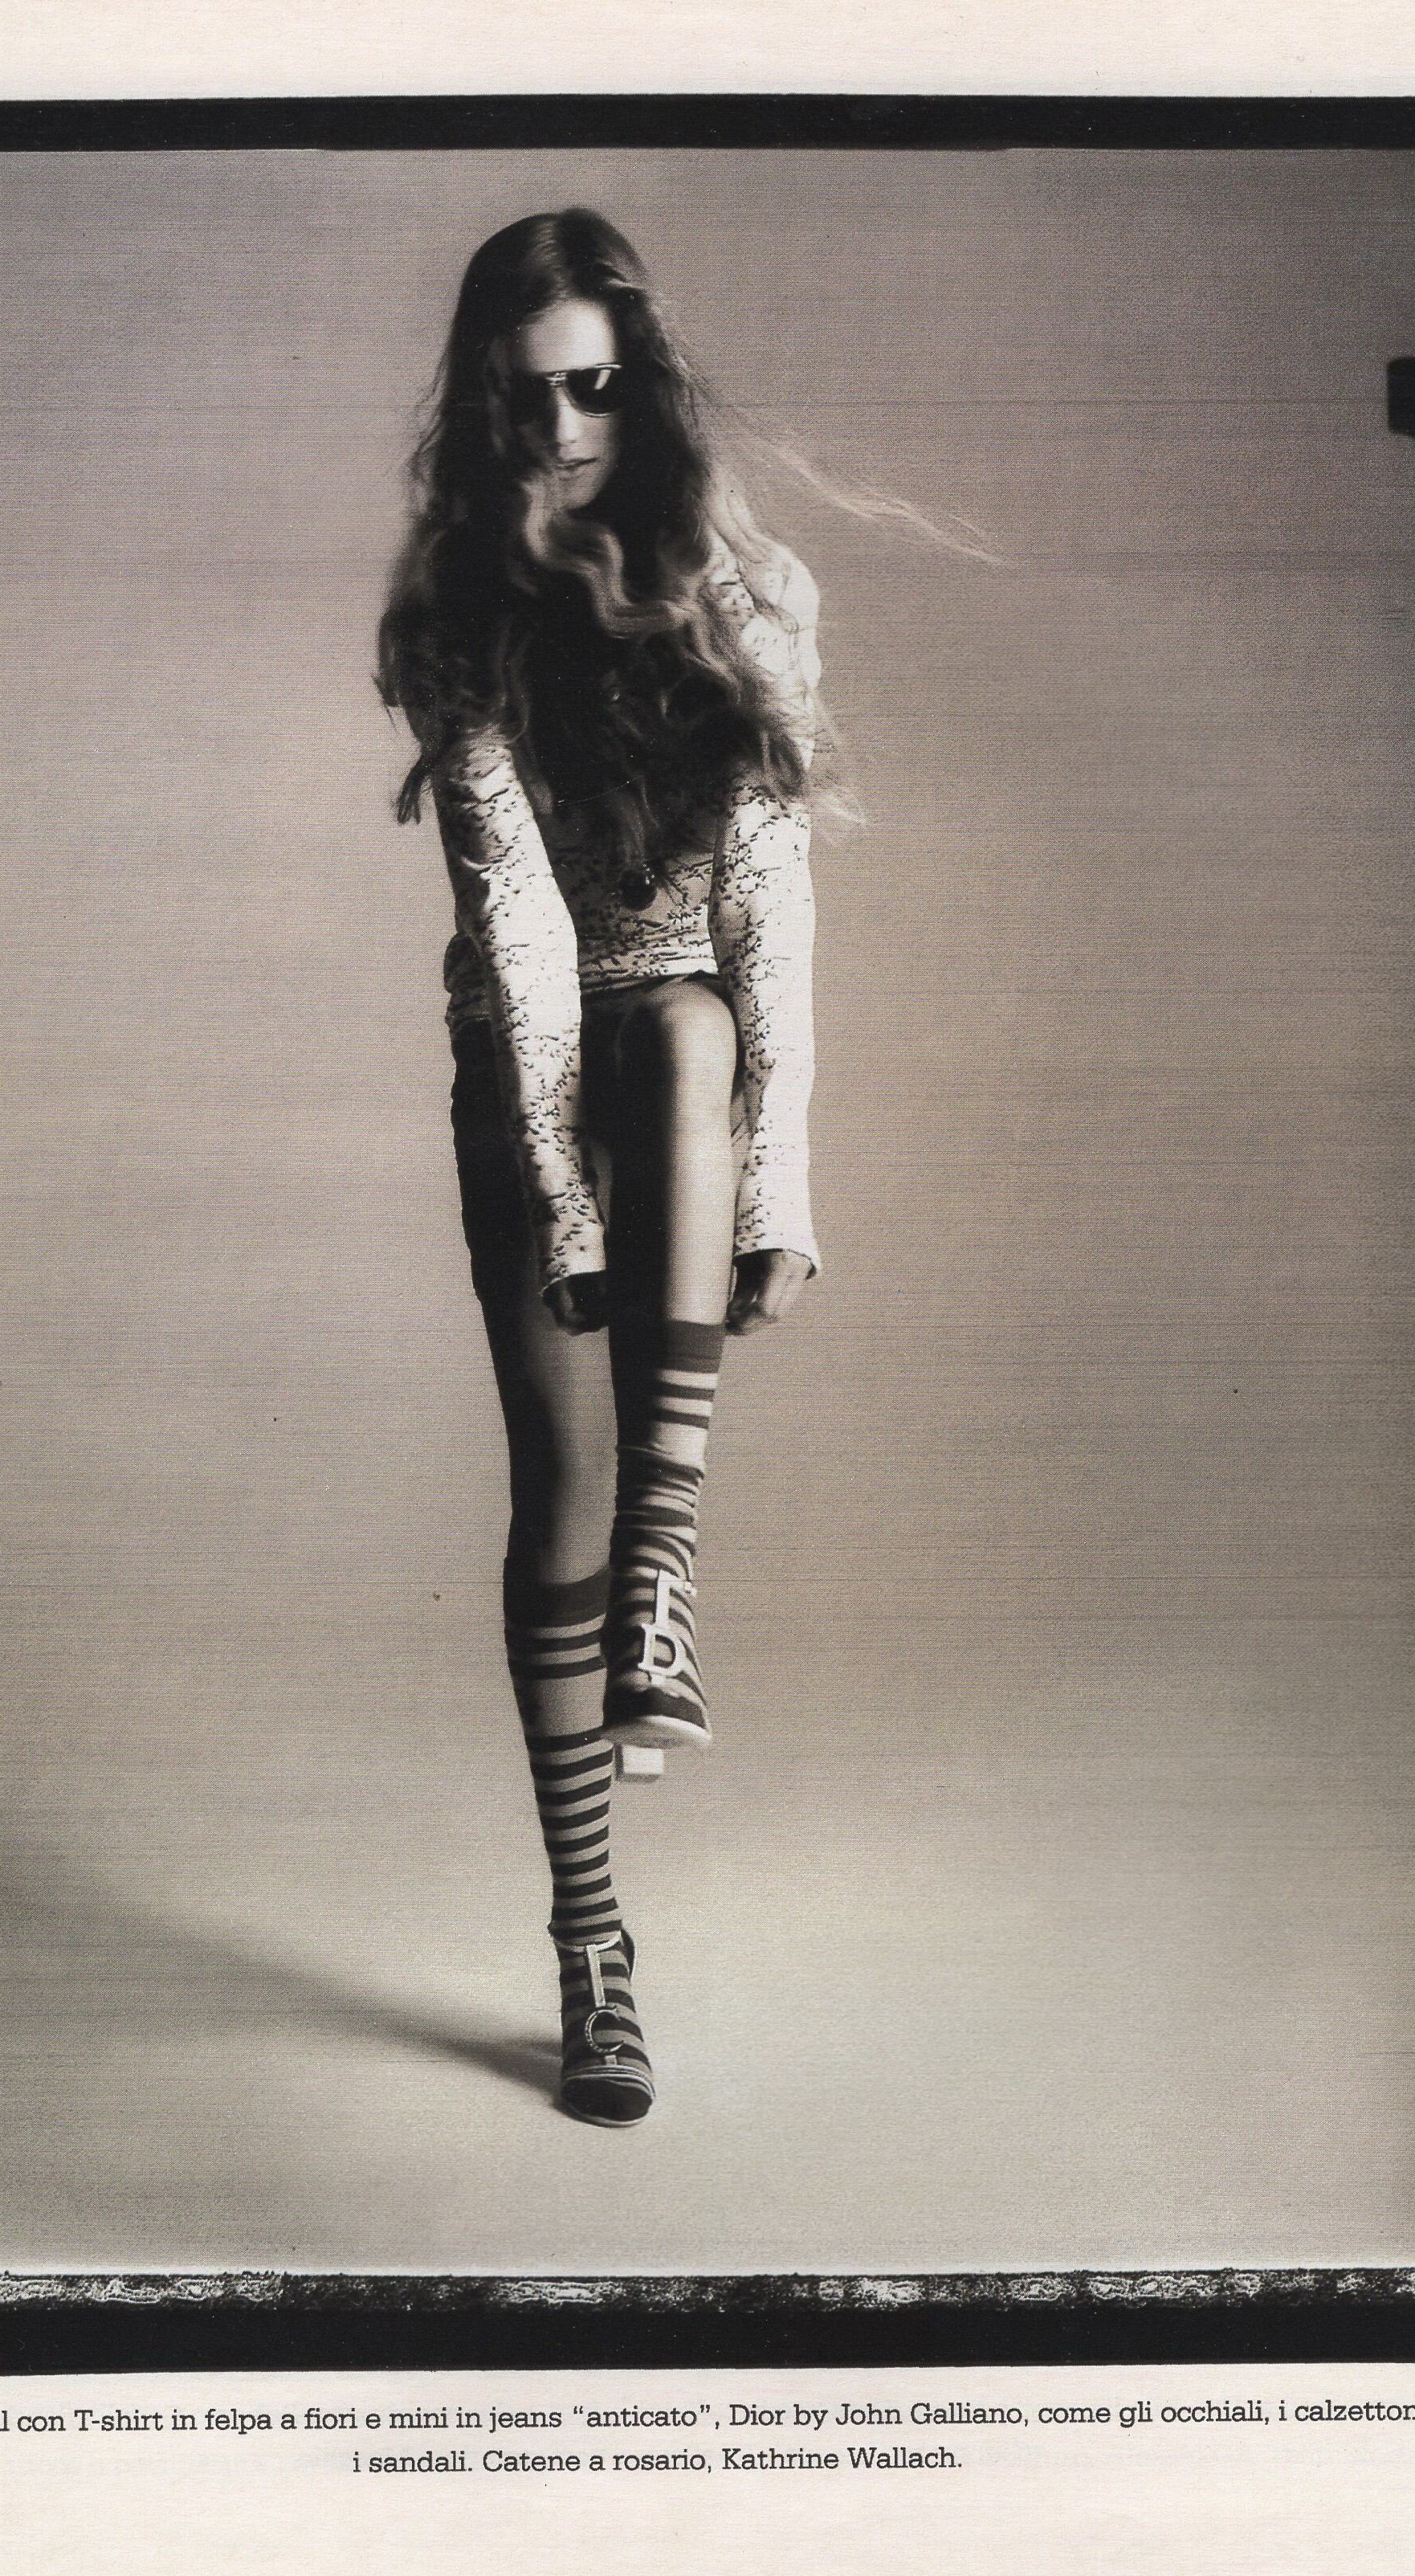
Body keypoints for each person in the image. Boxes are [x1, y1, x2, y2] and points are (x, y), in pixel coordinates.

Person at [378, 209, 825, 2128]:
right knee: (550, 1493)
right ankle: (590, 1940)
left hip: (679, 1057)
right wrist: (563, 1206)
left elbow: (769, 906)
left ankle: (668, 1564)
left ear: (642, 390)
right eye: (528, 398)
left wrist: (777, 1188)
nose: (564, 429)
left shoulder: (751, 590)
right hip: (523, 1065)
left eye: (594, 387)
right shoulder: (459, 614)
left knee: (693, 1017)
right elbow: (520, 932)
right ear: (486, 408)